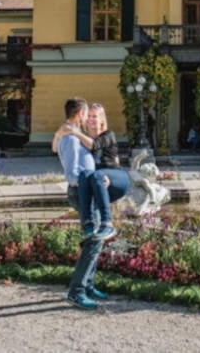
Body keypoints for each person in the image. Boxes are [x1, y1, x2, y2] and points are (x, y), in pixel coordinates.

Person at [55, 97, 114, 310]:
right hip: (82, 193)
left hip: (87, 193)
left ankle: (87, 285)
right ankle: (76, 291)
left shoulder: (73, 136)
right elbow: (72, 174)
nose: (89, 117)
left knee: (96, 239)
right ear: (79, 114)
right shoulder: (71, 140)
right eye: (87, 113)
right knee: (93, 240)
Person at [56, 103, 132, 204]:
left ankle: (104, 219)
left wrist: (74, 132)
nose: (91, 119)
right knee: (75, 190)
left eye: (94, 116)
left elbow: (94, 145)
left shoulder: (108, 135)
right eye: (88, 116)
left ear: (101, 120)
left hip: (112, 176)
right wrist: (58, 134)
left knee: (98, 178)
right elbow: (55, 149)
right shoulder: (83, 138)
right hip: (95, 179)